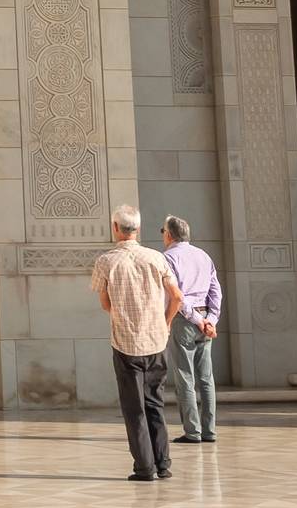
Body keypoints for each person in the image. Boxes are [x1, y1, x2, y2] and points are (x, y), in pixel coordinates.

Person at [90, 204, 185, 481]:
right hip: (156, 341)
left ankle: (144, 467)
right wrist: (165, 322)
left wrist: (122, 310)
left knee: (134, 409)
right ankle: (163, 464)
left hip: (126, 343)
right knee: (155, 403)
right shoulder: (156, 258)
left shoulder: (106, 261)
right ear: (138, 229)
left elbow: (105, 303)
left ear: (116, 228)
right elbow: (177, 297)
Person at [159, 216, 222, 446]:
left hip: (185, 320)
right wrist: (211, 320)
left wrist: (197, 320)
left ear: (169, 234)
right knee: (206, 377)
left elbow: (178, 297)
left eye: (162, 231)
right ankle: (210, 430)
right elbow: (216, 291)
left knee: (185, 376)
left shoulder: (168, 257)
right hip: (206, 319)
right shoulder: (203, 255)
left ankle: (193, 431)